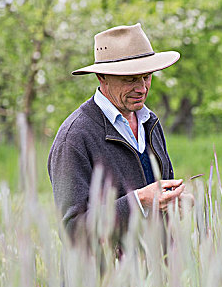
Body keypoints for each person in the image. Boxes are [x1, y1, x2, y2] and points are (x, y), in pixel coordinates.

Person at [48, 23, 190, 251]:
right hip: (104, 283)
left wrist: (174, 204)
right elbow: (73, 232)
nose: (142, 88)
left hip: (158, 275)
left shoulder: (149, 121)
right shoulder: (74, 137)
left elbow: (155, 201)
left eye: (147, 77)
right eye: (131, 79)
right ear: (102, 77)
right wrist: (140, 201)